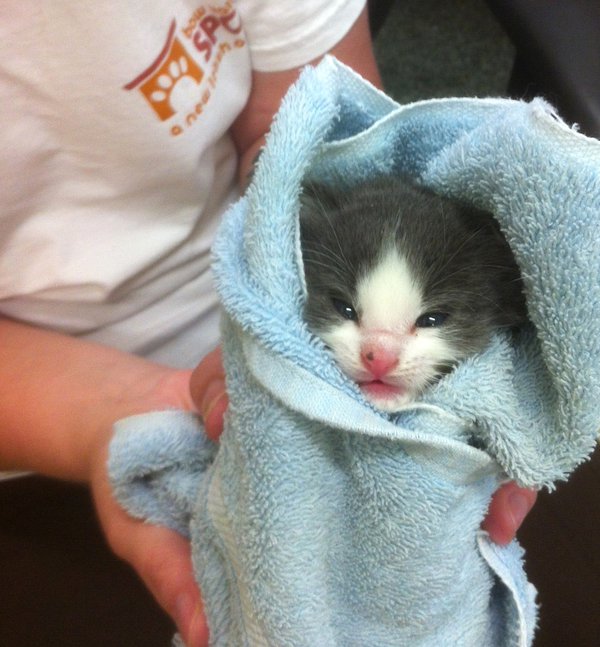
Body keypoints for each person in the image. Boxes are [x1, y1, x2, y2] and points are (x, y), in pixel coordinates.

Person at [0, 2, 536, 645]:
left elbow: (307, 129)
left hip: (260, 281)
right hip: (38, 425)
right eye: (353, 316)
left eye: (428, 321)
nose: (381, 355)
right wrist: (107, 412)